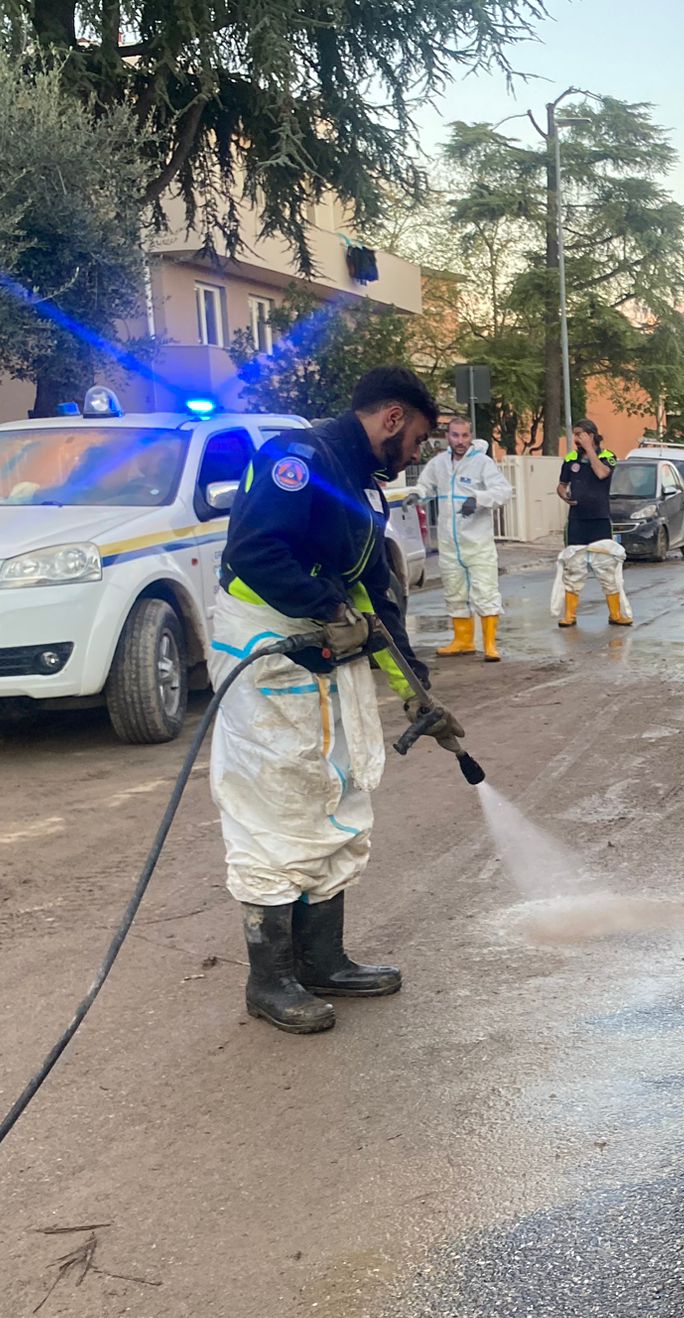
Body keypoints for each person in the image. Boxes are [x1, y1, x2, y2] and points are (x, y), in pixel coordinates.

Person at [212, 366, 456, 1034]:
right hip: (267, 646)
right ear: (393, 418)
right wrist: (325, 608)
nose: (416, 454)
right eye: (417, 440)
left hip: (325, 640)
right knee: (280, 796)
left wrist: (413, 687)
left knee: (337, 786)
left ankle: (323, 959)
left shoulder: (360, 483)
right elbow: (256, 551)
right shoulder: (298, 460)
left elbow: (376, 589)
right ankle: (271, 979)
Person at [416, 415, 512, 662]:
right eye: (455, 435)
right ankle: (463, 640)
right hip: (450, 543)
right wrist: (414, 495)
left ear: (471, 436)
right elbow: (424, 486)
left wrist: (478, 500)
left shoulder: (482, 463)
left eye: (465, 435)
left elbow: (503, 491)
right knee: (454, 591)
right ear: (448, 436)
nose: (460, 441)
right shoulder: (439, 464)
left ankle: (489, 644)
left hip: (477, 542)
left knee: (486, 590)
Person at [553, 420, 630, 628]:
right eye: (575, 435)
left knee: (606, 567)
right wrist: (564, 495)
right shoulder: (571, 459)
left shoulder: (608, 457)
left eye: (579, 434)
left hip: (600, 520)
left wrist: (589, 450)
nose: (576, 439)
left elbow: (602, 473)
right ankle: (569, 614)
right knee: (574, 566)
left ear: (591, 435)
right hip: (577, 521)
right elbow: (561, 485)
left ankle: (615, 613)